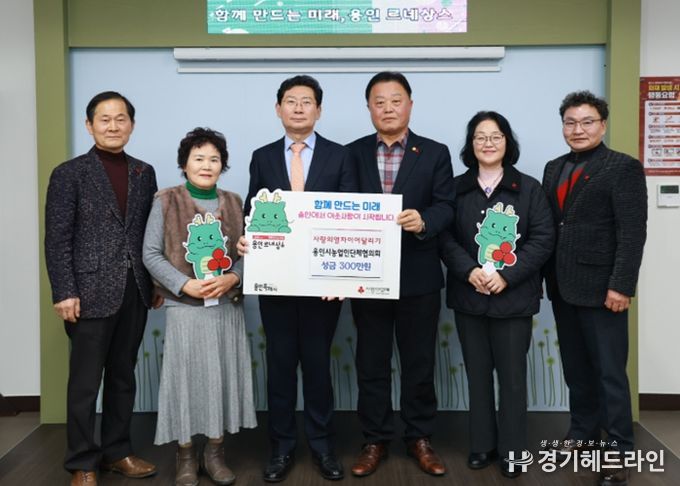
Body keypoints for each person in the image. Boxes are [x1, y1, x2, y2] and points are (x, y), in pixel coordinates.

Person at [240, 75, 357, 482]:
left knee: (318, 364)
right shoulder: (262, 156)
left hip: (323, 284)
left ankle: (323, 447)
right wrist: (247, 238)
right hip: (276, 281)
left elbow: (348, 218)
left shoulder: (341, 156)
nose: (299, 108)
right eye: (291, 101)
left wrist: (341, 278)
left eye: (307, 101)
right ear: (279, 109)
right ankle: (282, 448)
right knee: (280, 364)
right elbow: (253, 210)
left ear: (318, 110)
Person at [45, 91, 159, 486]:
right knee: (85, 383)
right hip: (87, 293)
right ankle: (82, 462)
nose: (113, 126)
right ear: (89, 125)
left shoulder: (144, 172)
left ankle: (117, 452)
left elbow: (149, 235)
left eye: (121, 118)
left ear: (132, 124)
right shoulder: (69, 173)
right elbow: (57, 238)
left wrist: (155, 282)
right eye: (104, 119)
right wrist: (64, 291)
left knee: (123, 377)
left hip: (135, 289)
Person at [347, 71, 455, 477]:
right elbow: (336, 207)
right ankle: (374, 439)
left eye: (396, 100)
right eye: (379, 101)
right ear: (369, 108)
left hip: (418, 275)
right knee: (371, 362)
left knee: (419, 363)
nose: (388, 108)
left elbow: (446, 205)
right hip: (366, 275)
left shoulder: (435, 152)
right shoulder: (352, 153)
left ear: (410, 104)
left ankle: (419, 437)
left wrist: (423, 220)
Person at [439, 111, 554, 478]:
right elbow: (445, 237)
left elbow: (543, 238)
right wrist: (468, 271)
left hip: (513, 299)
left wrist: (508, 275)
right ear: (471, 144)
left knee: (513, 379)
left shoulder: (529, 188)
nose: (488, 143)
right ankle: (482, 445)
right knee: (477, 375)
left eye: (496, 136)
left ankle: (513, 450)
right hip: (469, 296)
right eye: (480, 137)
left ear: (507, 142)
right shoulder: (455, 188)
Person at [542, 91, 647, 486]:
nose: (578, 129)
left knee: (609, 373)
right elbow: (552, 226)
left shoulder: (623, 167)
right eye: (570, 122)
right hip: (562, 286)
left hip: (604, 290)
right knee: (576, 369)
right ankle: (582, 433)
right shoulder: (554, 167)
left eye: (587, 122)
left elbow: (632, 233)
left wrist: (621, 286)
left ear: (602, 125)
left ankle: (619, 449)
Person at [142, 127, 257, 486]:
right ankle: (186, 455)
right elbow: (150, 253)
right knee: (186, 380)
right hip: (185, 307)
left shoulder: (235, 202)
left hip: (226, 306)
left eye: (214, 159)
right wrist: (183, 284)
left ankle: (215, 453)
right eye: (199, 158)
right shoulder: (166, 200)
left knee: (221, 378)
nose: (207, 165)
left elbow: (252, 252)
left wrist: (233, 277)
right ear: (185, 164)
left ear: (223, 165)